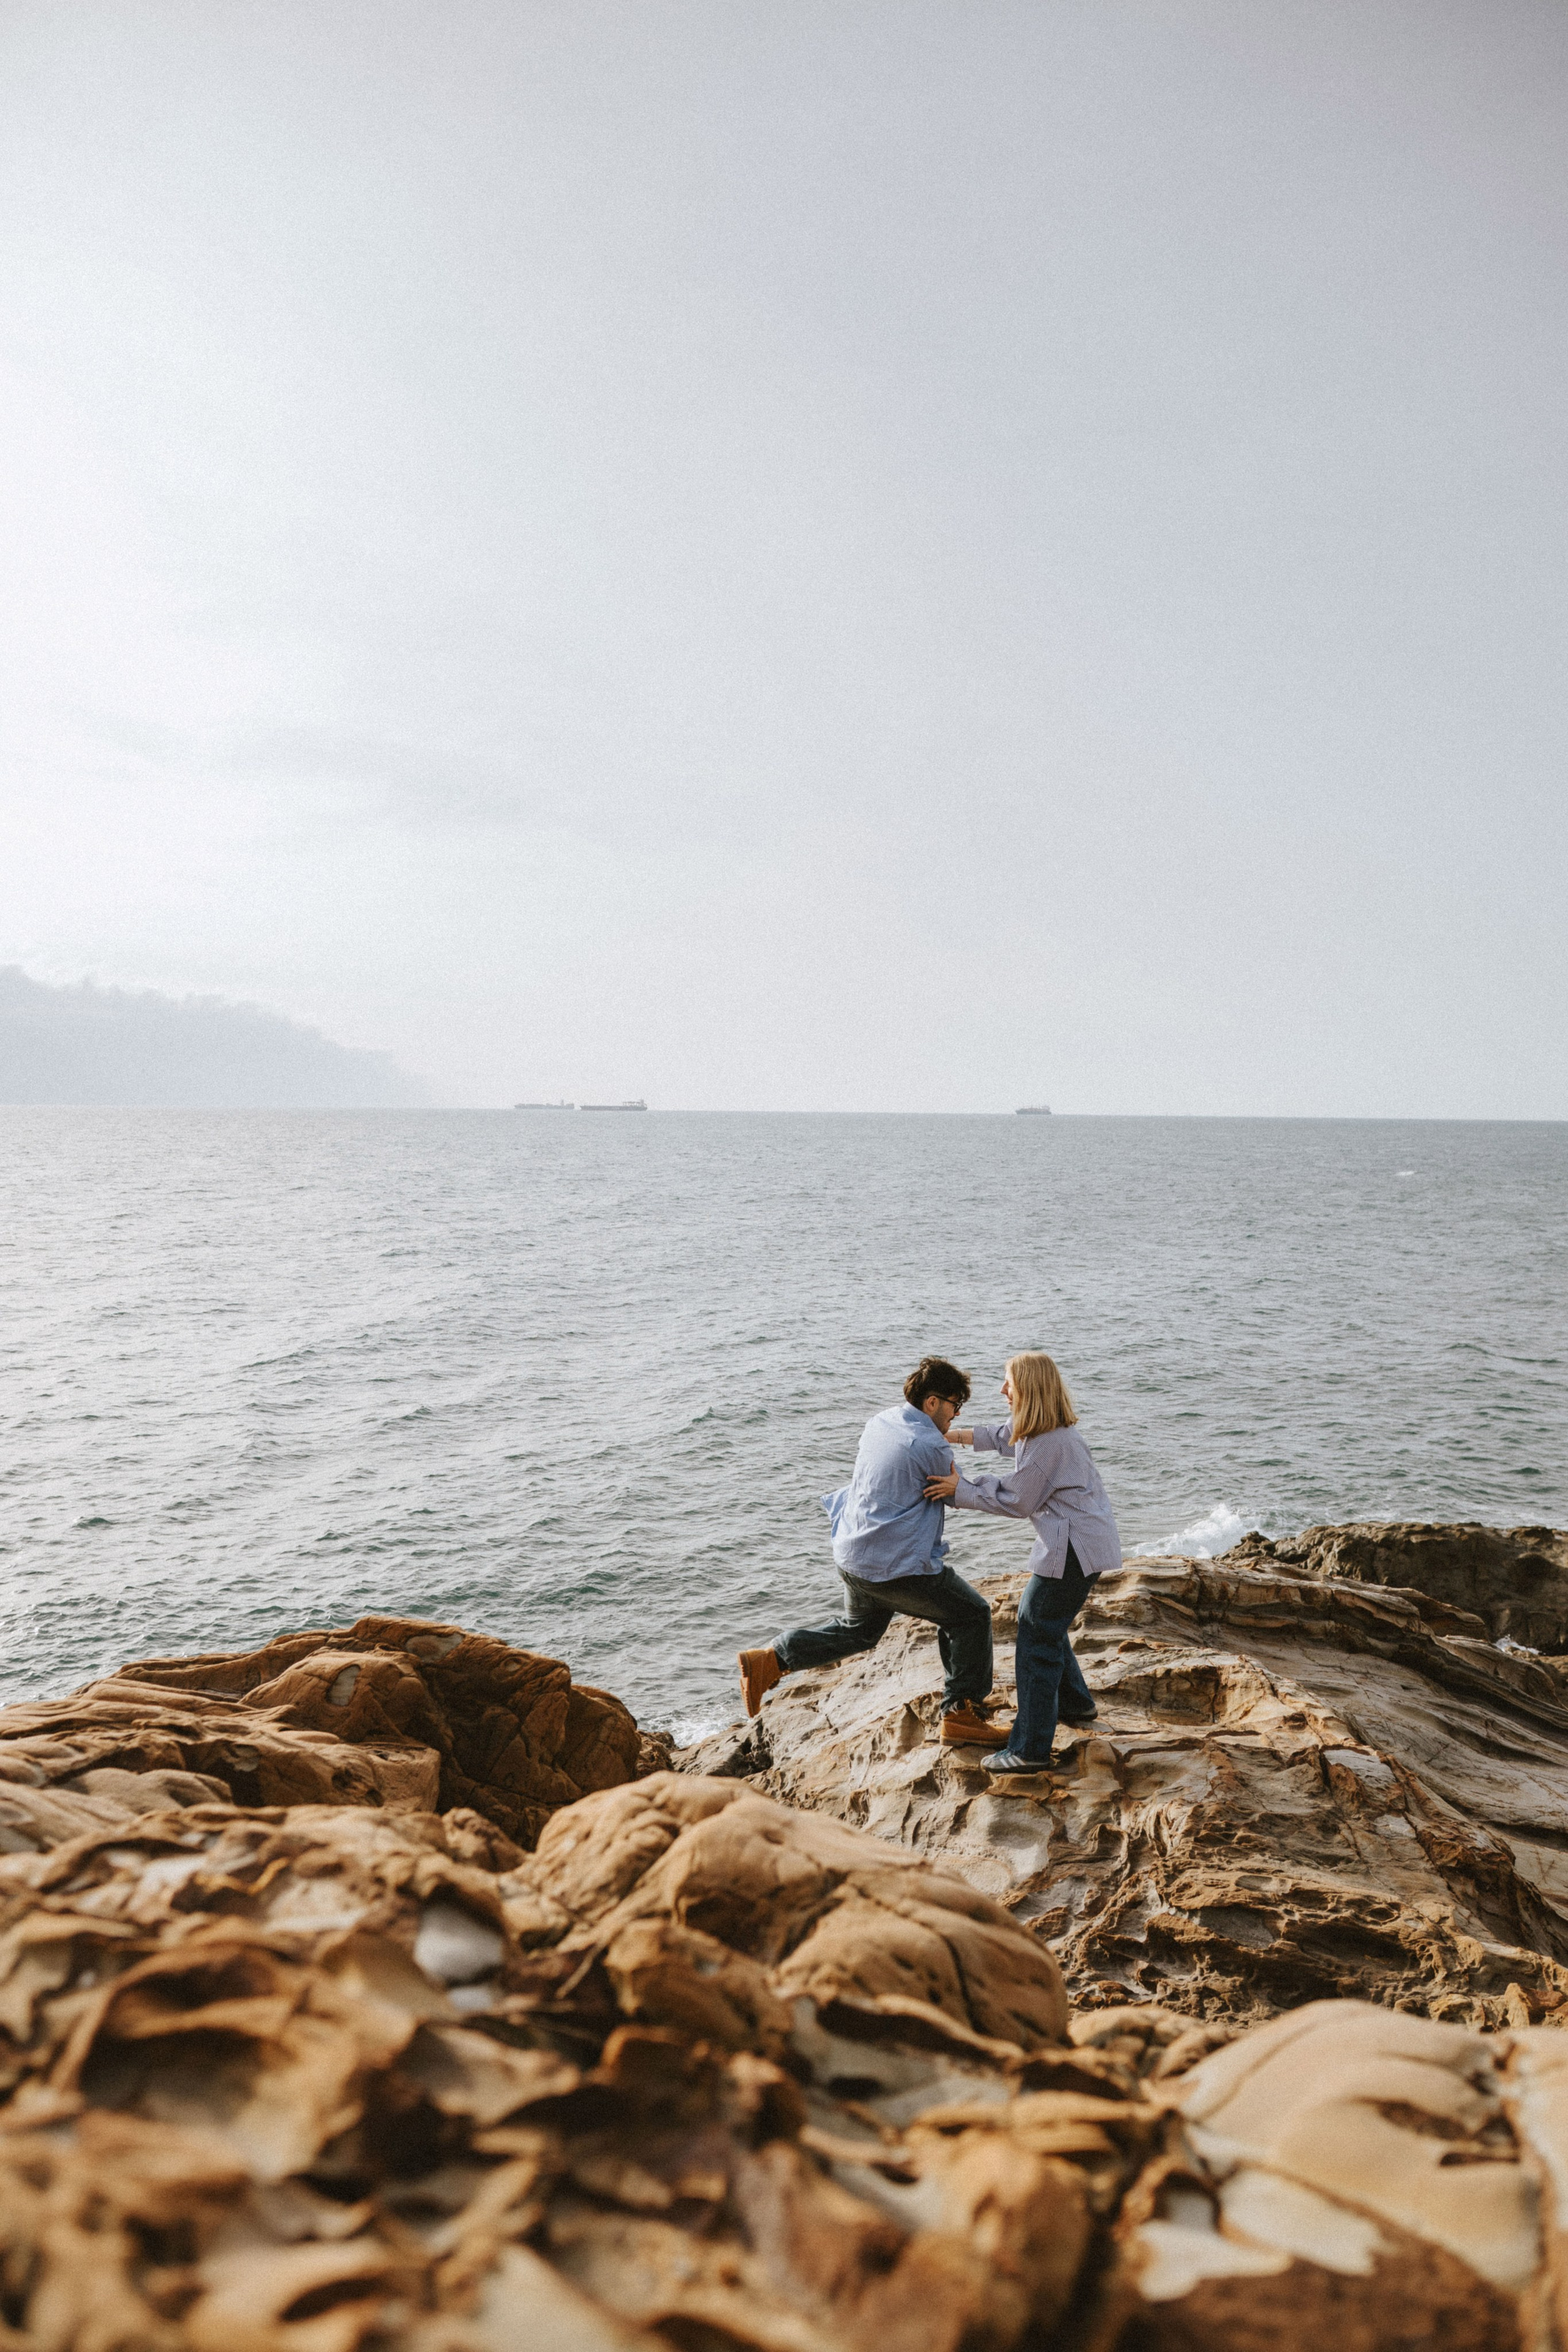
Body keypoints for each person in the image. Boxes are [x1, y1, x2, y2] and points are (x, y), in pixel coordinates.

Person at [737, 1356, 1008, 1747]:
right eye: (954, 1406)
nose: (956, 1414)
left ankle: (770, 1659)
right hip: (894, 1567)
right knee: (969, 1615)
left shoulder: (881, 1422)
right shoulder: (927, 1442)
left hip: (853, 1552)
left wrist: (955, 1442)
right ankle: (961, 1713)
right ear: (932, 1403)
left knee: (860, 1631)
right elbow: (956, 1490)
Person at [924, 1351, 1121, 1774]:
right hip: (1077, 1542)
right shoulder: (1043, 1429)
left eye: (1008, 1383)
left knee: (1036, 1632)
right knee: (1045, 1625)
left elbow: (1018, 1499)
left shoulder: (1049, 1443)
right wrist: (951, 1437)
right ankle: (1076, 1704)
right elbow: (1001, 1435)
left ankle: (1030, 1749)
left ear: (1028, 1389)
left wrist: (961, 1488)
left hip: (1074, 1549)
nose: (1002, 1390)